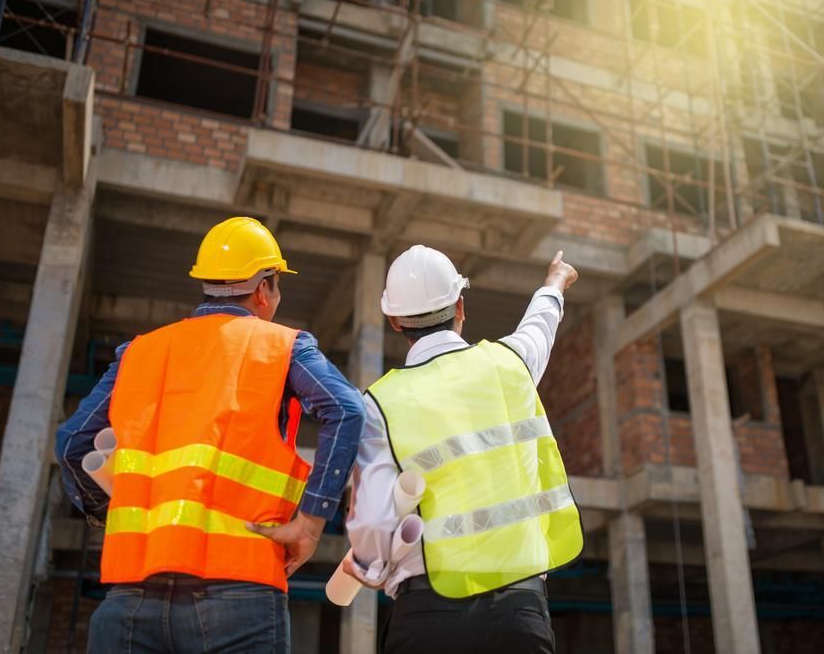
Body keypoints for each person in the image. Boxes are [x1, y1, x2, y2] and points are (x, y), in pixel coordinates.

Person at [55, 216, 366, 653]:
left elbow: (72, 445)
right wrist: (310, 524)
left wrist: (112, 512)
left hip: (130, 594)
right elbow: (347, 410)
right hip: (239, 594)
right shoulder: (283, 346)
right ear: (264, 288)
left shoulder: (139, 352)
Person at [343, 245, 584, 654]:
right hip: (519, 614)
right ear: (460, 306)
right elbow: (539, 327)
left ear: (395, 320)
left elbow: (372, 520)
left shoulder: (378, 404)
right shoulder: (510, 364)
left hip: (429, 617)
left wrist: (368, 564)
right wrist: (555, 282)